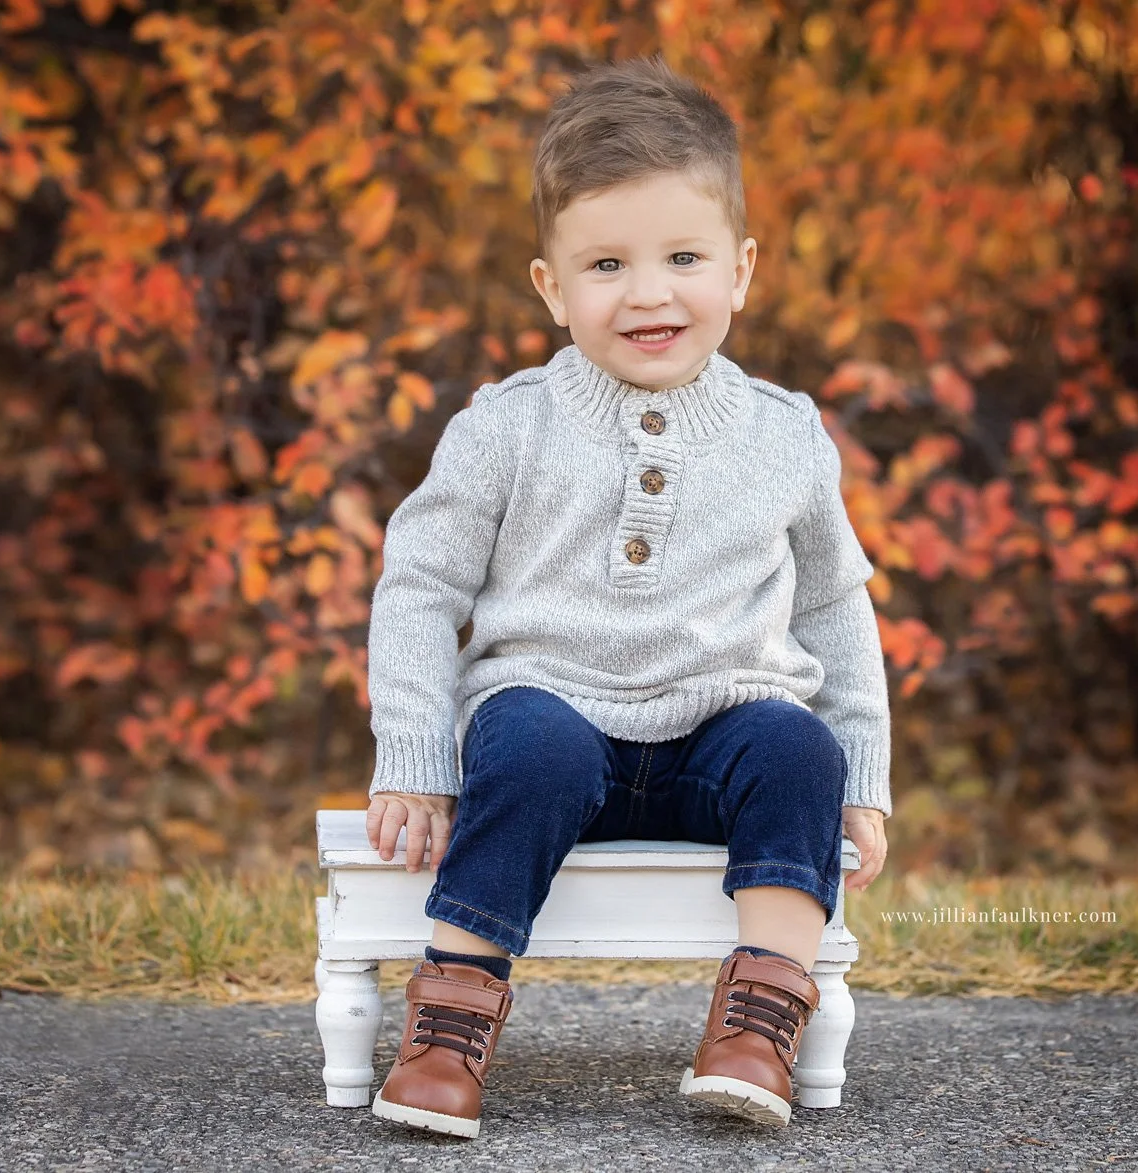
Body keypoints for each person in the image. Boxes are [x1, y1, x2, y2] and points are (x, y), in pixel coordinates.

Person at [361, 54, 891, 1139]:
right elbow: (418, 585)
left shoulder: (785, 433)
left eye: (682, 257)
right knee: (525, 744)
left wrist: (865, 774)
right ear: (552, 288)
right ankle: (450, 1024)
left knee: (797, 751)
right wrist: (413, 755)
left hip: (723, 734)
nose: (649, 292)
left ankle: (758, 1018)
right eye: (606, 262)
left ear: (741, 271)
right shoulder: (507, 425)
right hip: (552, 715)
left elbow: (834, 606)